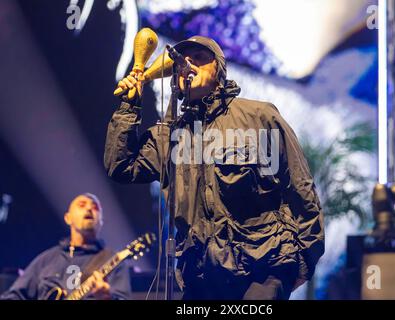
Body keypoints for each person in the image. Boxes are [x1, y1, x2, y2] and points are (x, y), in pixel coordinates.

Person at [105, 36, 324, 300]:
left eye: (198, 57)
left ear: (218, 70)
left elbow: (300, 188)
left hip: (263, 266)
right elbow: (122, 167)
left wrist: (304, 260)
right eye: (182, 60)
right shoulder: (170, 134)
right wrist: (130, 106)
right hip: (200, 274)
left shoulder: (259, 117)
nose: (187, 63)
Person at [1, 193, 131, 300]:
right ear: (68, 218)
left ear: (101, 221)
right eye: (82, 205)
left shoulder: (113, 260)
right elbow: (14, 296)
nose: (89, 209)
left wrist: (108, 298)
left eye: (95, 207)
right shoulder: (46, 259)